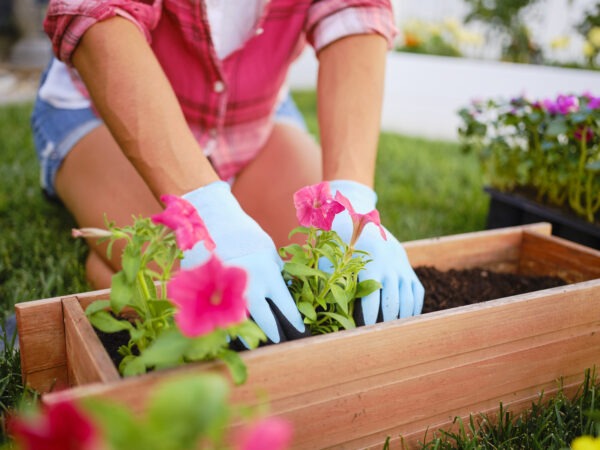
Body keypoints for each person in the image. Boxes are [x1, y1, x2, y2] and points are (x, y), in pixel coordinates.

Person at [33, 0, 424, 345]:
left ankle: (119, 251)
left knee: (304, 277)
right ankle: (107, 254)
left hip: (250, 120)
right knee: (198, 298)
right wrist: (207, 209)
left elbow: (354, 11)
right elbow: (99, 13)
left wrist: (352, 197)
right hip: (102, 110)